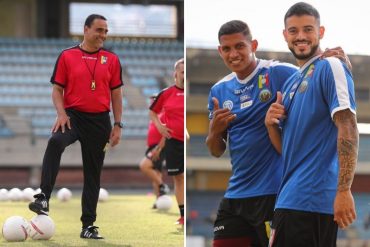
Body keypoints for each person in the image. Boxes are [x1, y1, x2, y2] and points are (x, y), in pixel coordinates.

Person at [206, 20, 350, 247]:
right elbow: (216, 150)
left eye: (240, 46)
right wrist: (214, 131)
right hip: (235, 196)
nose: (233, 54)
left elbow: (311, 73)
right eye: (226, 48)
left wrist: (334, 61)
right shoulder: (218, 90)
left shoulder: (279, 73)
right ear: (219, 51)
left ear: (253, 45)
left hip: (274, 194)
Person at [265, 2, 358, 246]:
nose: (301, 36)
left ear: (321, 32)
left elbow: (348, 126)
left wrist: (343, 190)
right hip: (288, 199)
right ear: (285, 35)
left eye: (308, 29)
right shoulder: (291, 83)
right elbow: (288, 151)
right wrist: (271, 125)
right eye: (293, 31)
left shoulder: (331, 65)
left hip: (312, 201)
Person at [28, 14, 123, 239]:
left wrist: (118, 124)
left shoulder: (112, 59)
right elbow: (57, 90)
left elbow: (117, 95)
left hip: (100, 121)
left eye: (106, 31)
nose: (103, 35)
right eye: (99, 30)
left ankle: (88, 226)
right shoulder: (67, 56)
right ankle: (43, 196)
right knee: (55, 142)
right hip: (72, 117)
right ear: (86, 29)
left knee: (93, 175)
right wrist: (61, 113)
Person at [150, 58, 184, 225]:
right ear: (175, 74)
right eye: (183, 72)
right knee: (178, 178)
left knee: (184, 176)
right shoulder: (166, 93)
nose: (185, 75)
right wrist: (160, 127)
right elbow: (153, 112)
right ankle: (183, 215)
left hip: (187, 142)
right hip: (173, 142)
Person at [139, 95, 169, 209]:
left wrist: (158, 148)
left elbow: (166, 133)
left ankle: (162, 185)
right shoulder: (155, 115)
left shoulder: (164, 114)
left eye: (154, 101)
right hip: (152, 146)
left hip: (158, 148)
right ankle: (159, 201)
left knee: (144, 166)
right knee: (156, 174)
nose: (151, 103)